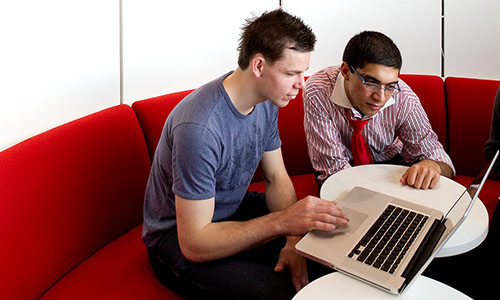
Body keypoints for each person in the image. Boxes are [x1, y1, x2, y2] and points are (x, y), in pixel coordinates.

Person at [142, 9, 348, 300]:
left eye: (303, 72)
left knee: (329, 245)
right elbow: (195, 243)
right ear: (259, 66)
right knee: (275, 292)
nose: (301, 84)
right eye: (292, 73)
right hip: (178, 237)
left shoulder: (266, 99)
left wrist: (293, 241)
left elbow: (276, 178)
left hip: (230, 208)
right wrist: (283, 222)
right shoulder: (200, 128)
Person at [303, 30, 455, 190]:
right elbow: (333, 169)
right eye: (371, 83)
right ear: (346, 71)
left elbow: (441, 161)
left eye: (389, 86)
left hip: (391, 165)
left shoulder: (404, 97)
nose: (381, 97)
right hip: (340, 171)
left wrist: (433, 166)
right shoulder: (318, 91)